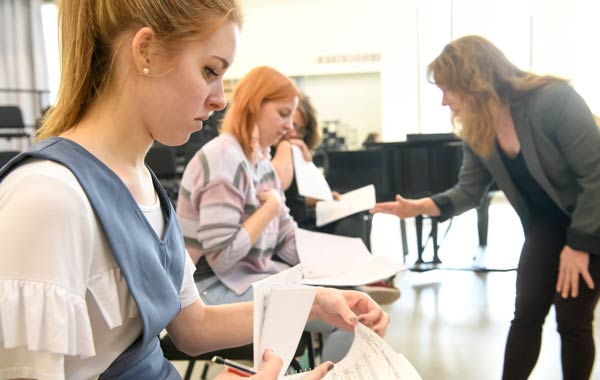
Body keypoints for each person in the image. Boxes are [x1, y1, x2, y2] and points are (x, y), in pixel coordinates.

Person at [0, 1, 390, 379]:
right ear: (146, 51)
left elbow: (194, 326)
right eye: (209, 70)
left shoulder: (143, 184)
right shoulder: (49, 197)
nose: (220, 99)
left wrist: (315, 302)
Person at [371, 35, 600, 380]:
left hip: (591, 219)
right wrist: (420, 206)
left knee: (572, 319)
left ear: (474, 82)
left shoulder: (553, 101)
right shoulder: (478, 128)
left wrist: (580, 246)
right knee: (525, 314)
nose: (445, 101)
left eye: (448, 89)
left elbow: (597, 173)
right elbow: (470, 190)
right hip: (545, 227)